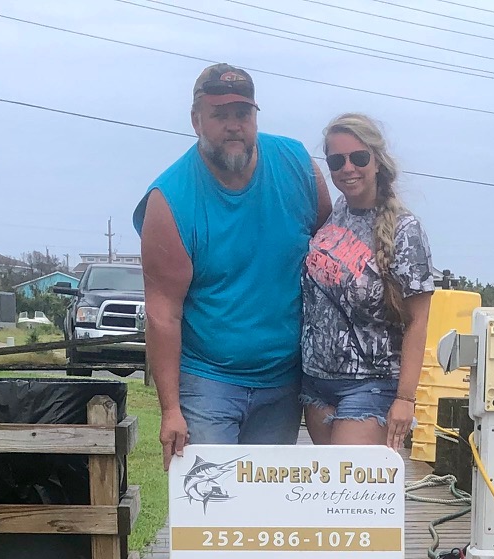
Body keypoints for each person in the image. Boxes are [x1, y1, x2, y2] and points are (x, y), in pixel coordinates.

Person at [135, 64, 331, 465]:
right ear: (196, 120)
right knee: (210, 506)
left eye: (242, 114)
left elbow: (331, 248)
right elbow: (163, 314)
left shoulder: (298, 166)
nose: (233, 126)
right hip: (208, 381)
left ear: (255, 116)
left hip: (283, 379)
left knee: (265, 513)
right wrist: (171, 410)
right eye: (219, 115)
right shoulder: (169, 200)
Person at [299, 113, 434, 453]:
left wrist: (406, 398)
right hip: (316, 383)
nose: (348, 168)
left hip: (370, 386)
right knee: (329, 498)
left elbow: (418, 321)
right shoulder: (337, 212)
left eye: (359, 158)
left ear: (377, 161)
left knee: (349, 499)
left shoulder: (405, 230)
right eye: (336, 160)